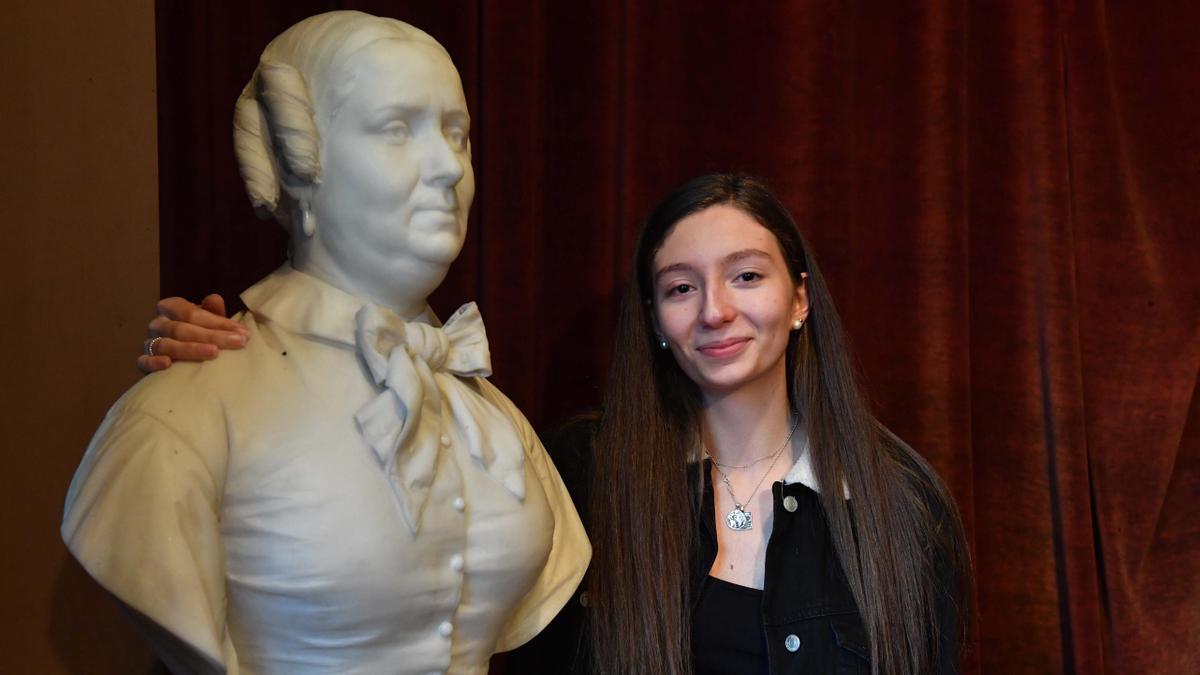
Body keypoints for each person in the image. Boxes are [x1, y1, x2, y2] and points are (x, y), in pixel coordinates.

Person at [144, 173, 970, 674]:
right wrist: (246, 362)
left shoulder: (904, 506)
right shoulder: (581, 470)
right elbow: (393, 509)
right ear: (654, 319)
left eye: (745, 275)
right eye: (680, 287)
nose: (714, 309)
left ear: (798, 299)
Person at [63, 11, 588, 675]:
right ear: (299, 158)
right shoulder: (187, 412)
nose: (448, 168)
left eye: (459, 136)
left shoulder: (493, 416)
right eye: (398, 128)